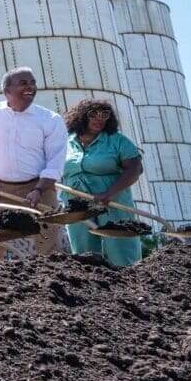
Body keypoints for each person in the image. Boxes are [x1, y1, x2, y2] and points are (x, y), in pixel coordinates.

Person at [0, 68, 69, 256]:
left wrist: (39, 189)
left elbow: (55, 162)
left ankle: (52, 280)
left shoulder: (50, 120)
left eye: (32, 83)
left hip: (38, 189)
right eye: (23, 83)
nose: (30, 87)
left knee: (49, 242)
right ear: (7, 91)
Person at [61, 99, 145, 266]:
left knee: (121, 251)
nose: (99, 118)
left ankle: (132, 288)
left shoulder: (117, 140)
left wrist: (110, 193)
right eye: (93, 114)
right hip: (77, 206)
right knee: (84, 255)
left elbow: (135, 168)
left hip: (112, 202)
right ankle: (91, 289)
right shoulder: (65, 142)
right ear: (81, 116)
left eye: (104, 115)